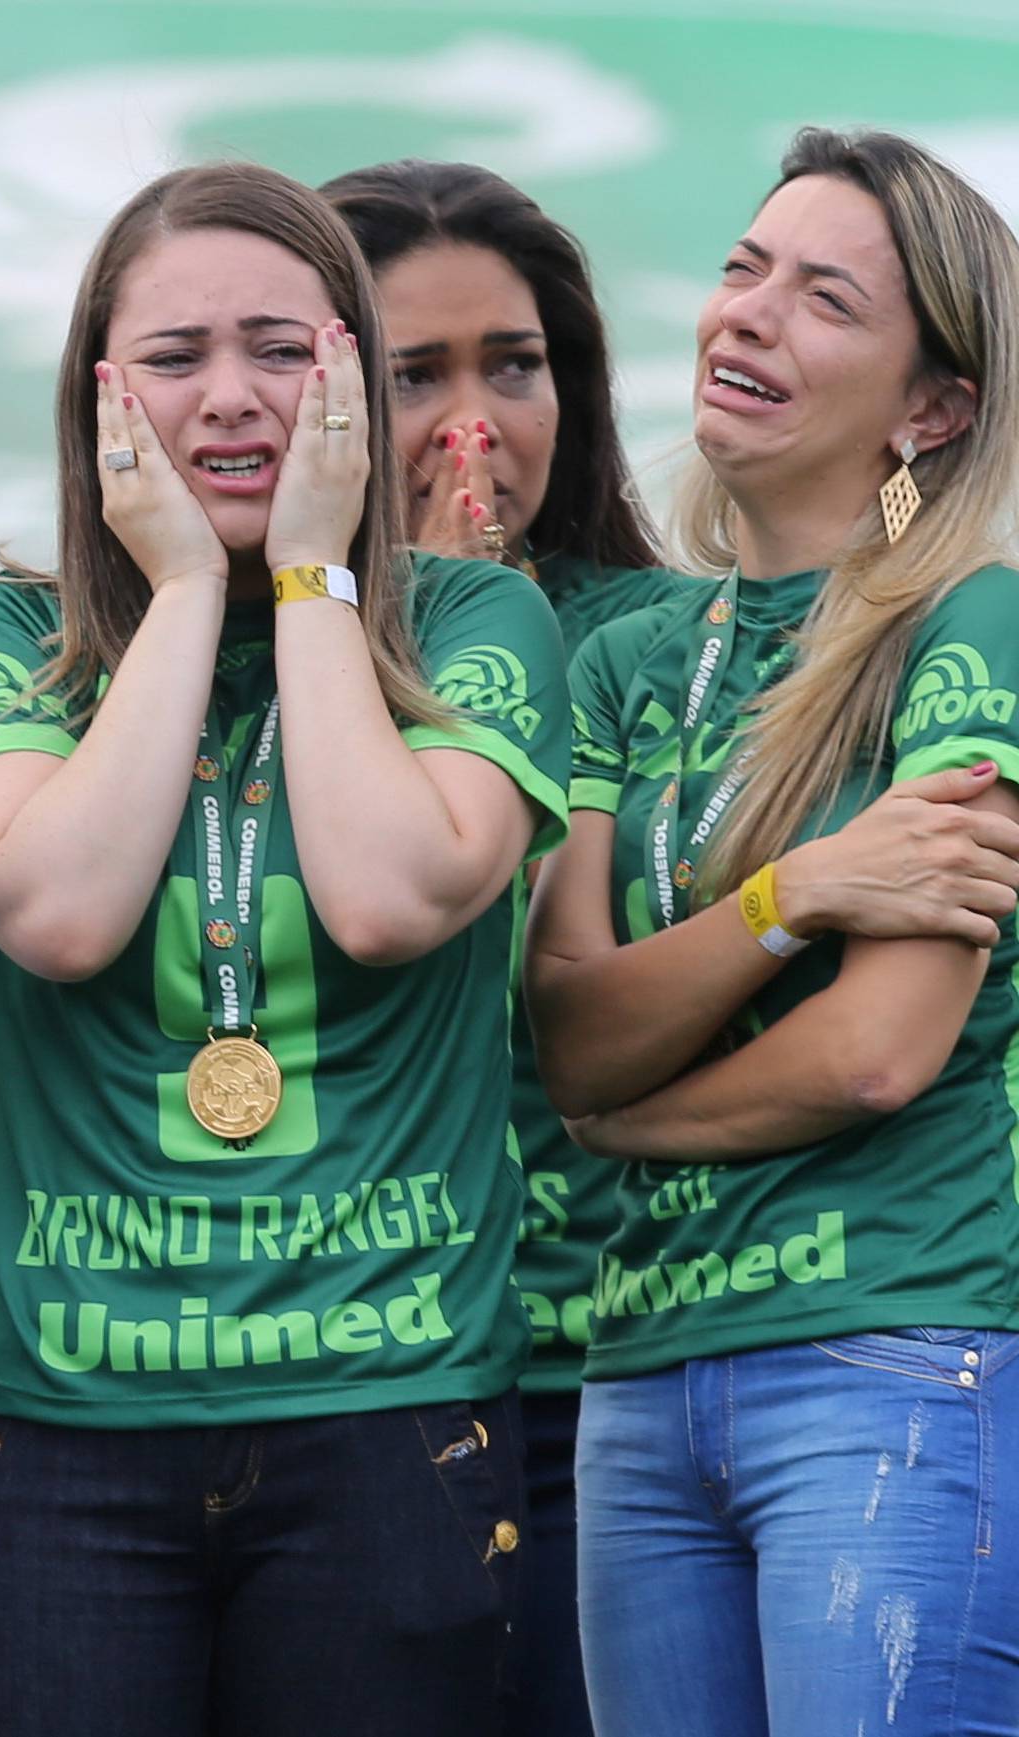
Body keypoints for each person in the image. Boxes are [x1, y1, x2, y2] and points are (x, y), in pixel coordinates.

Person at [0, 161, 570, 1735]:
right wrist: (182, 596)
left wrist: (308, 578)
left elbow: (388, 892)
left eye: (282, 351)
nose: (230, 398)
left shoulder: (486, 622)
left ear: (350, 369)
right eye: (176, 356)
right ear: (101, 398)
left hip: (391, 1414)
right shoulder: (5, 637)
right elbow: (58, 909)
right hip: (67, 1437)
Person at [527, 128, 1019, 1735]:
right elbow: (569, 1034)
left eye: (824, 299)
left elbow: (881, 1053)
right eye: (744, 270)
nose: (749, 314)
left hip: (897, 1348)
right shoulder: (625, 657)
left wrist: (625, 1117)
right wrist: (791, 893)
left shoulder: (976, 617)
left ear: (933, 406)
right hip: (641, 1371)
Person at [322, 157, 672, 1737]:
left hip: (614, 1363)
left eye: (515, 367)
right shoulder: (230, 654)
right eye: (413, 376)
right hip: (339, 1367)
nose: (476, 423)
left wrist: (502, 629)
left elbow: (586, 972)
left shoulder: (676, 641)